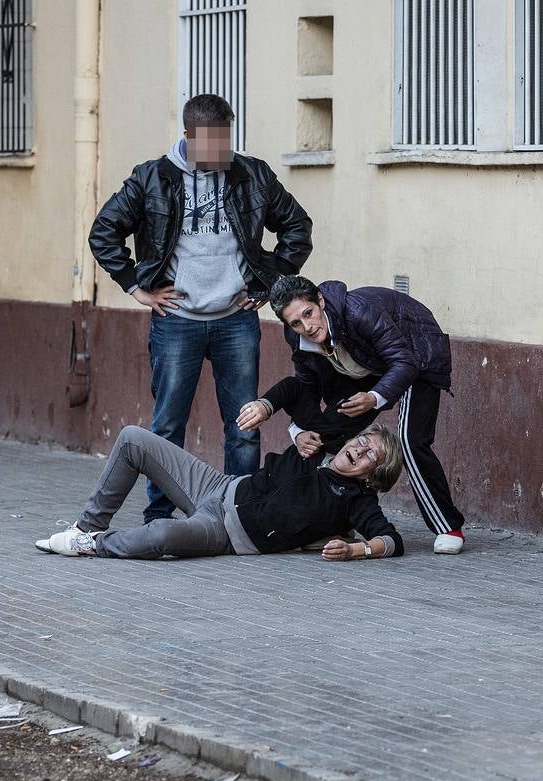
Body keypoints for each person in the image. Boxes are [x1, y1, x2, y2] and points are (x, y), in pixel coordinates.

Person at [88, 93, 314, 525]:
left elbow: (297, 228)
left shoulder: (251, 173)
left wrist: (267, 283)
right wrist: (137, 287)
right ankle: (159, 515)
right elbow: (104, 231)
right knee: (168, 426)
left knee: (244, 427)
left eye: (226, 140)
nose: (222, 152)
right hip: (176, 322)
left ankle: (243, 515)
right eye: (212, 143)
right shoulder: (152, 178)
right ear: (189, 136)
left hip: (236, 320)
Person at [236, 276, 467, 555]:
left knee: (410, 440)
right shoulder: (298, 337)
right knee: (329, 429)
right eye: (295, 323)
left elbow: (403, 361)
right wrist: (298, 431)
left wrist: (373, 398)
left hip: (416, 357)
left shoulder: (359, 312)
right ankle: (339, 523)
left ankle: (448, 526)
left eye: (308, 314)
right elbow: (306, 387)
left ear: (320, 301)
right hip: (365, 365)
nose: (306, 327)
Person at [34, 423, 404, 561]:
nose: (359, 449)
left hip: (226, 533)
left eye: (372, 454)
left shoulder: (357, 500)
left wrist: (356, 549)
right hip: (218, 485)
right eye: (362, 440)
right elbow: (302, 393)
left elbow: (391, 540)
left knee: (162, 533)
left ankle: (93, 545)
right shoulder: (319, 447)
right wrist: (292, 426)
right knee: (133, 439)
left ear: (373, 476)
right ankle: (84, 527)